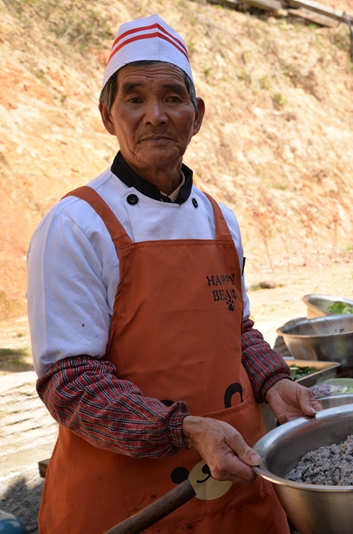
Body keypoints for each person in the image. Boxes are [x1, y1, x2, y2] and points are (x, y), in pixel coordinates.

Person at [27, 14, 321, 533]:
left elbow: (237, 332)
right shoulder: (76, 225)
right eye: (134, 98)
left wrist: (274, 382)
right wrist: (182, 429)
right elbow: (69, 382)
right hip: (130, 502)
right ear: (106, 114)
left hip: (237, 490)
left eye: (172, 97)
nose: (155, 115)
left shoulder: (219, 219)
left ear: (197, 114)